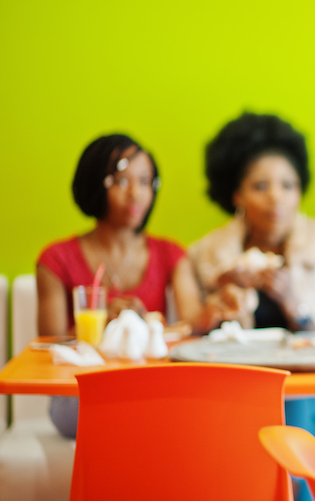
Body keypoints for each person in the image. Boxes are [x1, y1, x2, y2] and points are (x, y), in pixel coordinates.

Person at [187, 113, 315, 485]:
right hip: (235, 390)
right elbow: (191, 339)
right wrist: (221, 299)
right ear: (237, 195)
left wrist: (296, 305)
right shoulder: (207, 257)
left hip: (308, 391)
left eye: (288, 185)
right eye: (261, 185)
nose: (276, 197)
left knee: (295, 412)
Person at [36, 133, 205, 438]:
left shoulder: (171, 253)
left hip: (151, 390)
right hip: (77, 396)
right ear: (94, 183)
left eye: (145, 182)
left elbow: (191, 322)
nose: (136, 195)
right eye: (121, 181)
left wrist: (218, 308)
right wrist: (101, 325)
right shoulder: (55, 259)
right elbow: (50, 344)